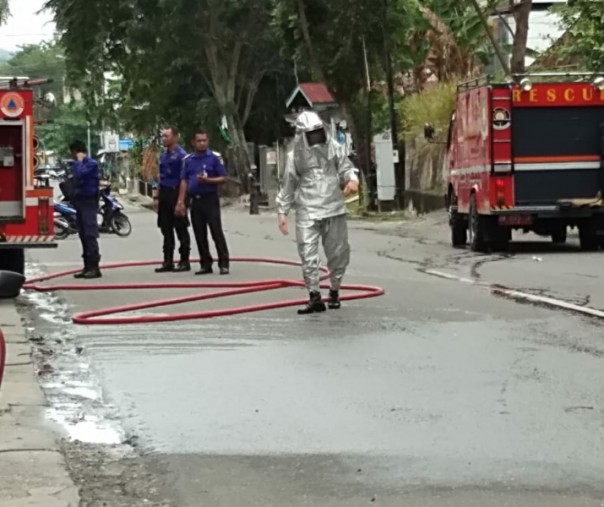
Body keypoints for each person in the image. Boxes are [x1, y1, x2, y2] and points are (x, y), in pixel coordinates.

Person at [276, 110, 360, 315]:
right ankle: (314, 295)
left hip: (333, 207)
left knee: (338, 252)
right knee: (308, 253)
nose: (316, 138)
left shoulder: (333, 147)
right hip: (307, 208)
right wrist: (282, 212)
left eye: (318, 133)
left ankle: (334, 291)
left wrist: (352, 179)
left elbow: (346, 167)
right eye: (311, 134)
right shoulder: (294, 155)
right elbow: (288, 184)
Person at [176, 129, 230, 275]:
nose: (202, 143)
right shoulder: (188, 160)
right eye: (199, 141)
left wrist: (208, 180)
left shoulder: (214, 158)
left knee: (216, 231)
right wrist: (180, 201)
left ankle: (224, 263)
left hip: (210, 199)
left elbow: (223, 178)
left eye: (204, 140)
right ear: (193, 142)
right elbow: (184, 181)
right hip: (195, 201)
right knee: (199, 233)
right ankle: (205, 263)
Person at [154, 126, 191, 273]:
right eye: (162, 136)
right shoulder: (163, 156)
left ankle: (184, 260)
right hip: (165, 194)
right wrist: (156, 196)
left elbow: (184, 179)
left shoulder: (182, 156)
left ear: (175, 137)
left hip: (177, 193)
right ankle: (167, 260)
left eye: (166, 136)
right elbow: (160, 177)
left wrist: (181, 201)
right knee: (166, 228)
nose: (163, 139)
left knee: (180, 228)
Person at [69, 140, 102, 279]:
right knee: (82, 234)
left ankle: (94, 267)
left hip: (89, 201)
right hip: (80, 202)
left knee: (90, 234)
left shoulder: (91, 164)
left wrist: (79, 161)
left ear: (77, 152)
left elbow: (80, 175)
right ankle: (87, 266)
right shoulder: (81, 164)